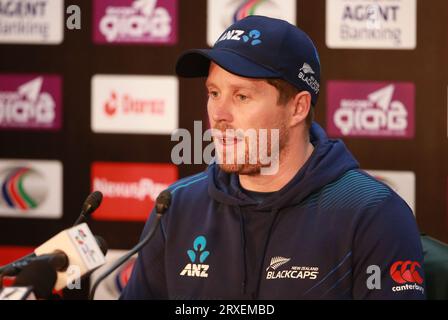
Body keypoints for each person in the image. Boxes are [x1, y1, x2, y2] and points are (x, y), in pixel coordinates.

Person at [120, 15, 425, 299]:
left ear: (298, 108)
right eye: (214, 93)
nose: (219, 115)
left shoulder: (372, 213)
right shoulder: (176, 207)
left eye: (242, 96)